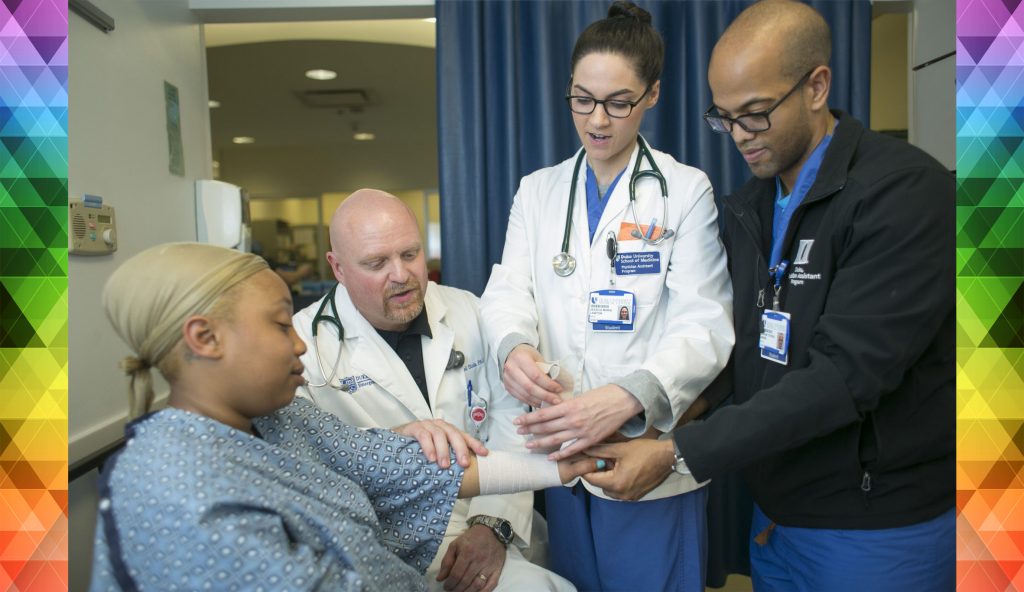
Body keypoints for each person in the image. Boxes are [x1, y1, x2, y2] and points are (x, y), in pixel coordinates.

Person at [584, 2, 955, 590]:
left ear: (817, 86)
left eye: (755, 115)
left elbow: (843, 376)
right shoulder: (752, 207)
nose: (738, 136)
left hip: (874, 529)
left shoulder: (903, 195)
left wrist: (678, 450)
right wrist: (657, 416)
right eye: (723, 118)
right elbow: (746, 352)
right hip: (777, 522)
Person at [90, 242, 604, 591]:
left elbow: (401, 465)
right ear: (204, 338)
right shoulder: (174, 492)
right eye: (277, 326)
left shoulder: (280, 418)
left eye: (410, 253)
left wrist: (572, 466)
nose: (298, 343)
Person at [478, 3, 734, 590]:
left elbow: (706, 323)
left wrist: (627, 396)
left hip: (645, 450)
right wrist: (514, 347)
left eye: (619, 102)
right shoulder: (538, 192)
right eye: (582, 99)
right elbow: (507, 289)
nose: (597, 120)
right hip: (562, 450)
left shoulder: (684, 190)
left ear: (651, 96)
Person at [294, 189, 572, 592]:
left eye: (410, 254)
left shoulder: (471, 312)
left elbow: (515, 419)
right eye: (377, 263)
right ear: (337, 268)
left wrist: (492, 526)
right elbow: (306, 463)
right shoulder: (304, 345)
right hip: (381, 542)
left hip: (489, 518)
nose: (401, 275)